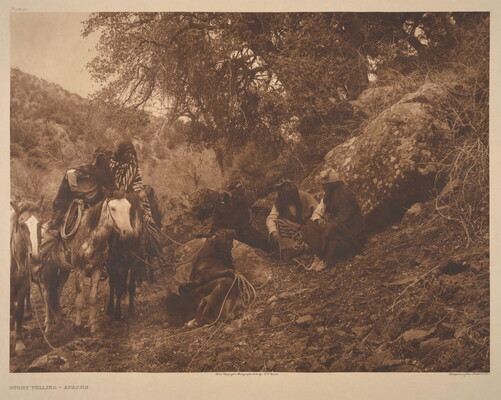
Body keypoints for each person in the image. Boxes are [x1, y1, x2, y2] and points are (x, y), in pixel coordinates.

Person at [39, 146, 114, 257]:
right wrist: (77, 192)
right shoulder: (88, 169)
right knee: (56, 227)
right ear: (101, 159)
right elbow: (70, 173)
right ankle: (40, 255)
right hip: (72, 203)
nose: (109, 162)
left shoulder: (106, 174)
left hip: (93, 207)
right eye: (107, 159)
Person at [109, 141, 164, 260]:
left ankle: (152, 246)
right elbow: (107, 182)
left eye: (131, 153)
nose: (130, 156)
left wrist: (138, 192)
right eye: (127, 153)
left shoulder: (133, 165)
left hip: (131, 195)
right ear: (121, 154)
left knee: (147, 216)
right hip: (113, 196)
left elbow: (137, 180)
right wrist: (114, 191)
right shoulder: (111, 165)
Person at [304, 168, 364, 271]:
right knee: (311, 224)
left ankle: (328, 259)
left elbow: (345, 218)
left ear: (332, 184)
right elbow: (318, 212)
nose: (323, 187)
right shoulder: (328, 196)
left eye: (325, 185)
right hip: (335, 226)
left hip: (350, 233)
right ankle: (318, 257)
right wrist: (319, 220)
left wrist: (328, 222)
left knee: (331, 227)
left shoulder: (345, 195)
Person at [266, 179, 318, 258]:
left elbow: (318, 212)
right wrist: (274, 232)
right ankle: (299, 248)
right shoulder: (279, 202)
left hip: (307, 229)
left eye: (292, 195)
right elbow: (271, 218)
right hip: (291, 233)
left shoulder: (305, 197)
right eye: (288, 196)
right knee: (280, 222)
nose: (291, 198)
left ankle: (306, 247)